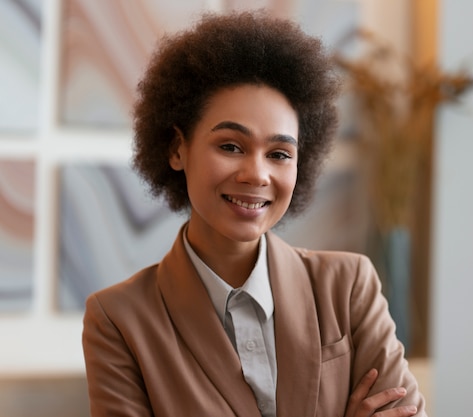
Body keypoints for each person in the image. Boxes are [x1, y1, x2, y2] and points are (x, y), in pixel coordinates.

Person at [82, 10, 427, 417]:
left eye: (279, 154)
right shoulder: (120, 321)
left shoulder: (348, 287)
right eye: (230, 146)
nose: (257, 174)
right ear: (178, 149)